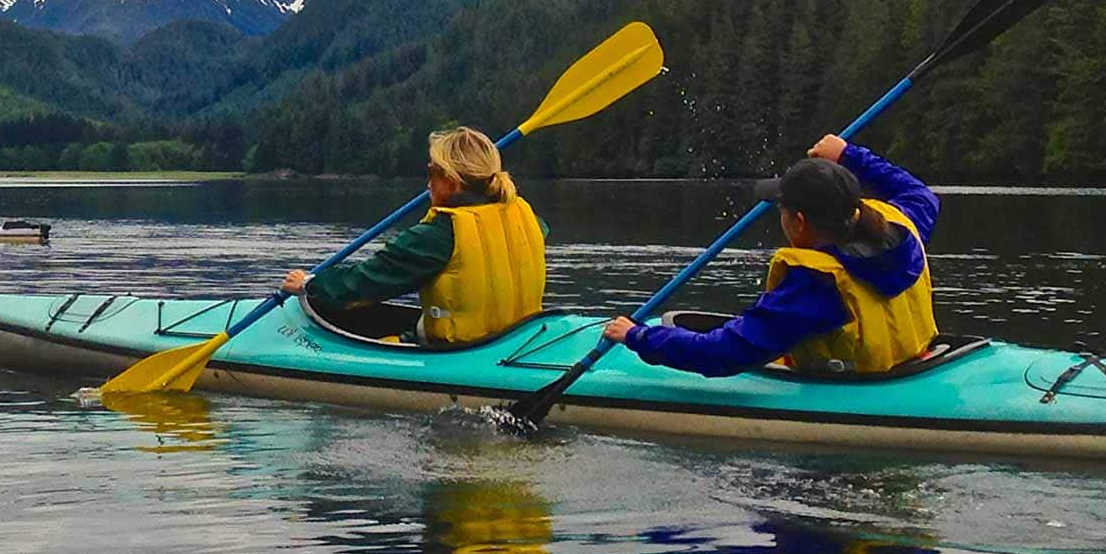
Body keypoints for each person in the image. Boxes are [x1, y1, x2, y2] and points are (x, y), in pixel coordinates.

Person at [603, 134, 939, 377]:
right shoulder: (901, 229)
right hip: (914, 367)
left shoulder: (817, 285)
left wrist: (638, 336)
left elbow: (723, 353)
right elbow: (917, 192)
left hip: (855, 387)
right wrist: (849, 155)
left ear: (799, 222)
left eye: (781, 209)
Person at [278, 127, 548, 345]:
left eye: (432, 172)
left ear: (451, 182)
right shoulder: (529, 220)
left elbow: (366, 281)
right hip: (517, 342)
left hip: (454, 350)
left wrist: (310, 285)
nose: (428, 183)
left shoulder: (437, 236)